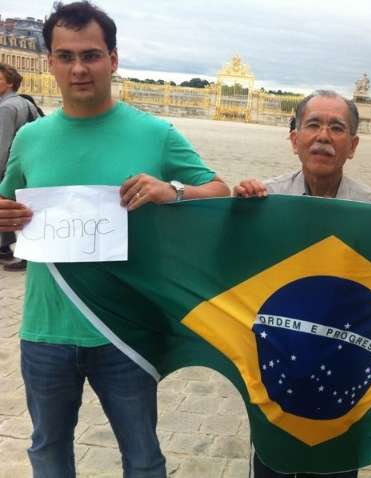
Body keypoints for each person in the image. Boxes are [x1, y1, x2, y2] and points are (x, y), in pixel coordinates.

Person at [0, 2, 230, 476]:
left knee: (143, 459)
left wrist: (173, 191)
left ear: (114, 59)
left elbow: (219, 193)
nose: (79, 68)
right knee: (47, 452)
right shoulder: (30, 138)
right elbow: (7, 207)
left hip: (123, 330)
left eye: (91, 54)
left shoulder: (156, 133)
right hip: (45, 329)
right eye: (65, 57)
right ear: (50, 63)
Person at [234, 90, 371, 478]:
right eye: (313, 124)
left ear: (352, 146)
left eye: (337, 128)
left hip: (344, 367)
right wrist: (236, 217)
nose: (323, 136)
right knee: (272, 464)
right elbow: (228, 266)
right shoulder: (265, 202)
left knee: (335, 467)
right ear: (294, 137)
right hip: (278, 361)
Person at [0, 63, 41, 271]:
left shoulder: (6, 107)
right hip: (29, 162)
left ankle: (9, 250)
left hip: (10, 166)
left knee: (9, 209)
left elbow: (3, 143)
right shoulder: (25, 102)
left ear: (9, 84)